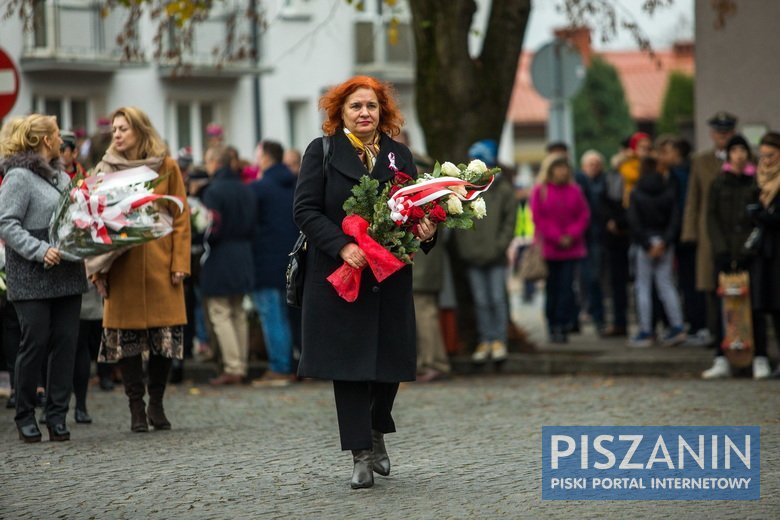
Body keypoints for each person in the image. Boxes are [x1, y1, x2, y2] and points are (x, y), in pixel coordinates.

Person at [293, 76, 437, 490]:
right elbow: (304, 210)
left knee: (390, 362)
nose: (364, 114)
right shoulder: (321, 152)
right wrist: (340, 246)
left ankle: (376, 430)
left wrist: (427, 230)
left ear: (382, 112)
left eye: (371, 107)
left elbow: (415, 208)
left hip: (389, 276)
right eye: (355, 106)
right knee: (350, 368)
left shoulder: (399, 155)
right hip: (342, 277)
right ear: (340, 113)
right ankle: (360, 455)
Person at [92, 107, 191, 433]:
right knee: (127, 342)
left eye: (124, 128)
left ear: (140, 130)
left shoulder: (166, 166)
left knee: (165, 340)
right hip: (122, 268)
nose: (117, 134)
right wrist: (97, 270)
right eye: (115, 129)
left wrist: (179, 263)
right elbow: (94, 224)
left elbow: (180, 217)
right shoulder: (105, 170)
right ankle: (136, 407)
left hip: (162, 266)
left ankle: (157, 403)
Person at [0, 114, 88, 442]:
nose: (61, 140)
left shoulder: (61, 177)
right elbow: (7, 223)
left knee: (66, 342)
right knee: (34, 342)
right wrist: (39, 250)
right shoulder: (19, 176)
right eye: (55, 134)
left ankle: (56, 415)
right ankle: (25, 414)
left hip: (66, 271)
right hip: (31, 272)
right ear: (45, 141)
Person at [701, 135, 766, 379]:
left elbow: (758, 219)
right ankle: (722, 356)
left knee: (755, 305)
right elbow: (711, 218)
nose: (738, 155)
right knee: (723, 306)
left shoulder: (755, 181)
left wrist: (749, 248)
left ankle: (760, 356)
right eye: (734, 150)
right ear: (728, 155)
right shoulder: (718, 183)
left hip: (750, 251)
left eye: (742, 150)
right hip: (724, 251)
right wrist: (721, 249)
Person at [455, 139, 516, 363]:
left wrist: (499, 246)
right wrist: (465, 248)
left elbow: (509, 222)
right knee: (480, 300)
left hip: (495, 256)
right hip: (473, 256)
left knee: (497, 298)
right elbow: (459, 223)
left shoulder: (503, 189)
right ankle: (486, 339)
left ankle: (499, 340)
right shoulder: (465, 189)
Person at [200, 145, 256, 386]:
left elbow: (211, 228)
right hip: (244, 254)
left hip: (221, 255)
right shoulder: (246, 189)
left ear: (214, 162)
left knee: (220, 311)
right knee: (238, 312)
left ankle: (233, 367)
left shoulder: (213, 191)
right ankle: (241, 363)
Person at [681, 112, 738, 342]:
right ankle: (716, 333)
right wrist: (690, 232)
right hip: (707, 230)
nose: (722, 136)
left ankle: (738, 333)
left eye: (727, 132)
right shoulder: (700, 160)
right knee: (710, 285)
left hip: (735, 230)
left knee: (737, 283)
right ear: (712, 134)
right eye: (718, 132)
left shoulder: (745, 158)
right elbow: (693, 198)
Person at [249, 140, 298, 386]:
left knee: (272, 316)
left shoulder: (260, 188)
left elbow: (250, 225)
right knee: (285, 316)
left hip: (265, 261)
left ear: (266, 157)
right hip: (291, 261)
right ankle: (287, 364)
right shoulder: (294, 186)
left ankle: (279, 367)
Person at [626, 157, 686, 348]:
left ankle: (646, 330)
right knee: (667, 285)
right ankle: (677, 326)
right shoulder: (668, 192)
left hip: (645, 244)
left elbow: (634, 222)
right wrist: (666, 242)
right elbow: (675, 220)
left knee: (643, 287)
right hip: (664, 242)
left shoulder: (636, 192)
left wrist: (646, 244)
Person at [530, 154, 590, 343]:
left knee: (566, 287)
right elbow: (538, 218)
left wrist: (571, 235)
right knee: (552, 288)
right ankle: (552, 323)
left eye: (565, 168)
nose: (562, 171)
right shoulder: (541, 191)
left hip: (571, 248)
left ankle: (564, 324)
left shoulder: (575, 191)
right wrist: (556, 236)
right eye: (559, 167)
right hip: (549, 248)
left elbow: (583, 215)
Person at [749, 132, 780, 379]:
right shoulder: (757, 179)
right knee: (766, 306)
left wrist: (760, 213)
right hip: (764, 252)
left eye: (770, 155)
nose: (766, 160)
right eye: (762, 155)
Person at [575, 150, 607, 334]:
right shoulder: (578, 184)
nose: (593, 167)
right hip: (580, 237)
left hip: (596, 236)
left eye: (596, 163)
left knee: (594, 277)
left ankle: (596, 315)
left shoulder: (605, 182)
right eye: (590, 164)